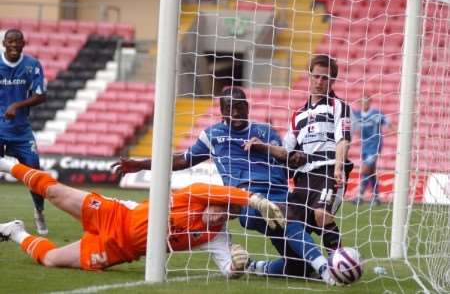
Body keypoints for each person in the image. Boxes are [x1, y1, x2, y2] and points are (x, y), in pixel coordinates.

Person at [113, 86, 336, 285]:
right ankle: (325, 268)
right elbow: (182, 160)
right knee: (283, 216)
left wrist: (275, 152)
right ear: (222, 110)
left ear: (247, 107)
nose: (236, 112)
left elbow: (285, 160)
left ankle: (255, 266)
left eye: (240, 107)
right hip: (247, 198)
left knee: (297, 267)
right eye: (230, 108)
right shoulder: (213, 135)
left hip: (278, 192)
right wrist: (141, 164)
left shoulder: (264, 131)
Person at [0, 156, 284, 276]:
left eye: (228, 215)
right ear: (216, 200)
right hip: (115, 214)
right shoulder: (194, 195)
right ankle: (9, 165)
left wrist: (237, 266)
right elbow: (224, 192)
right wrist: (255, 201)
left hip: (118, 249)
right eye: (221, 207)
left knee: (51, 260)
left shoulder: (216, 236)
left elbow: (227, 268)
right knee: (55, 193)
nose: (221, 216)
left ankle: (16, 232)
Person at [246, 55, 353, 258]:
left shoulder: (339, 106)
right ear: (309, 77)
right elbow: (286, 152)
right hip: (303, 179)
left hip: (328, 171)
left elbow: (343, 140)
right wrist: (262, 147)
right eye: (316, 77)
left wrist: (339, 167)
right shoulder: (298, 116)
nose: (320, 82)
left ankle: (340, 262)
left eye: (326, 78)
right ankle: (297, 265)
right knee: (287, 220)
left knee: (322, 214)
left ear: (332, 81)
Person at [0, 29, 48, 235]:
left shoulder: (32, 65)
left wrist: (17, 105)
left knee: (35, 174)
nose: (13, 45)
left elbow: (41, 95)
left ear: (23, 44)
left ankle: (39, 211)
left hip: (21, 131)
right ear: (3, 43)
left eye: (17, 42)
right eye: (10, 41)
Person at [352, 95, 392, 205]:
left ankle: (360, 195)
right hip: (364, 147)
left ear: (370, 102)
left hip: (375, 146)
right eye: (362, 101)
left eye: (366, 101)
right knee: (371, 172)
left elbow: (388, 123)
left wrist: (397, 131)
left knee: (365, 169)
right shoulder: (357, 115)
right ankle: (376, 196)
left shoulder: (376, 114)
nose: (364, 103)